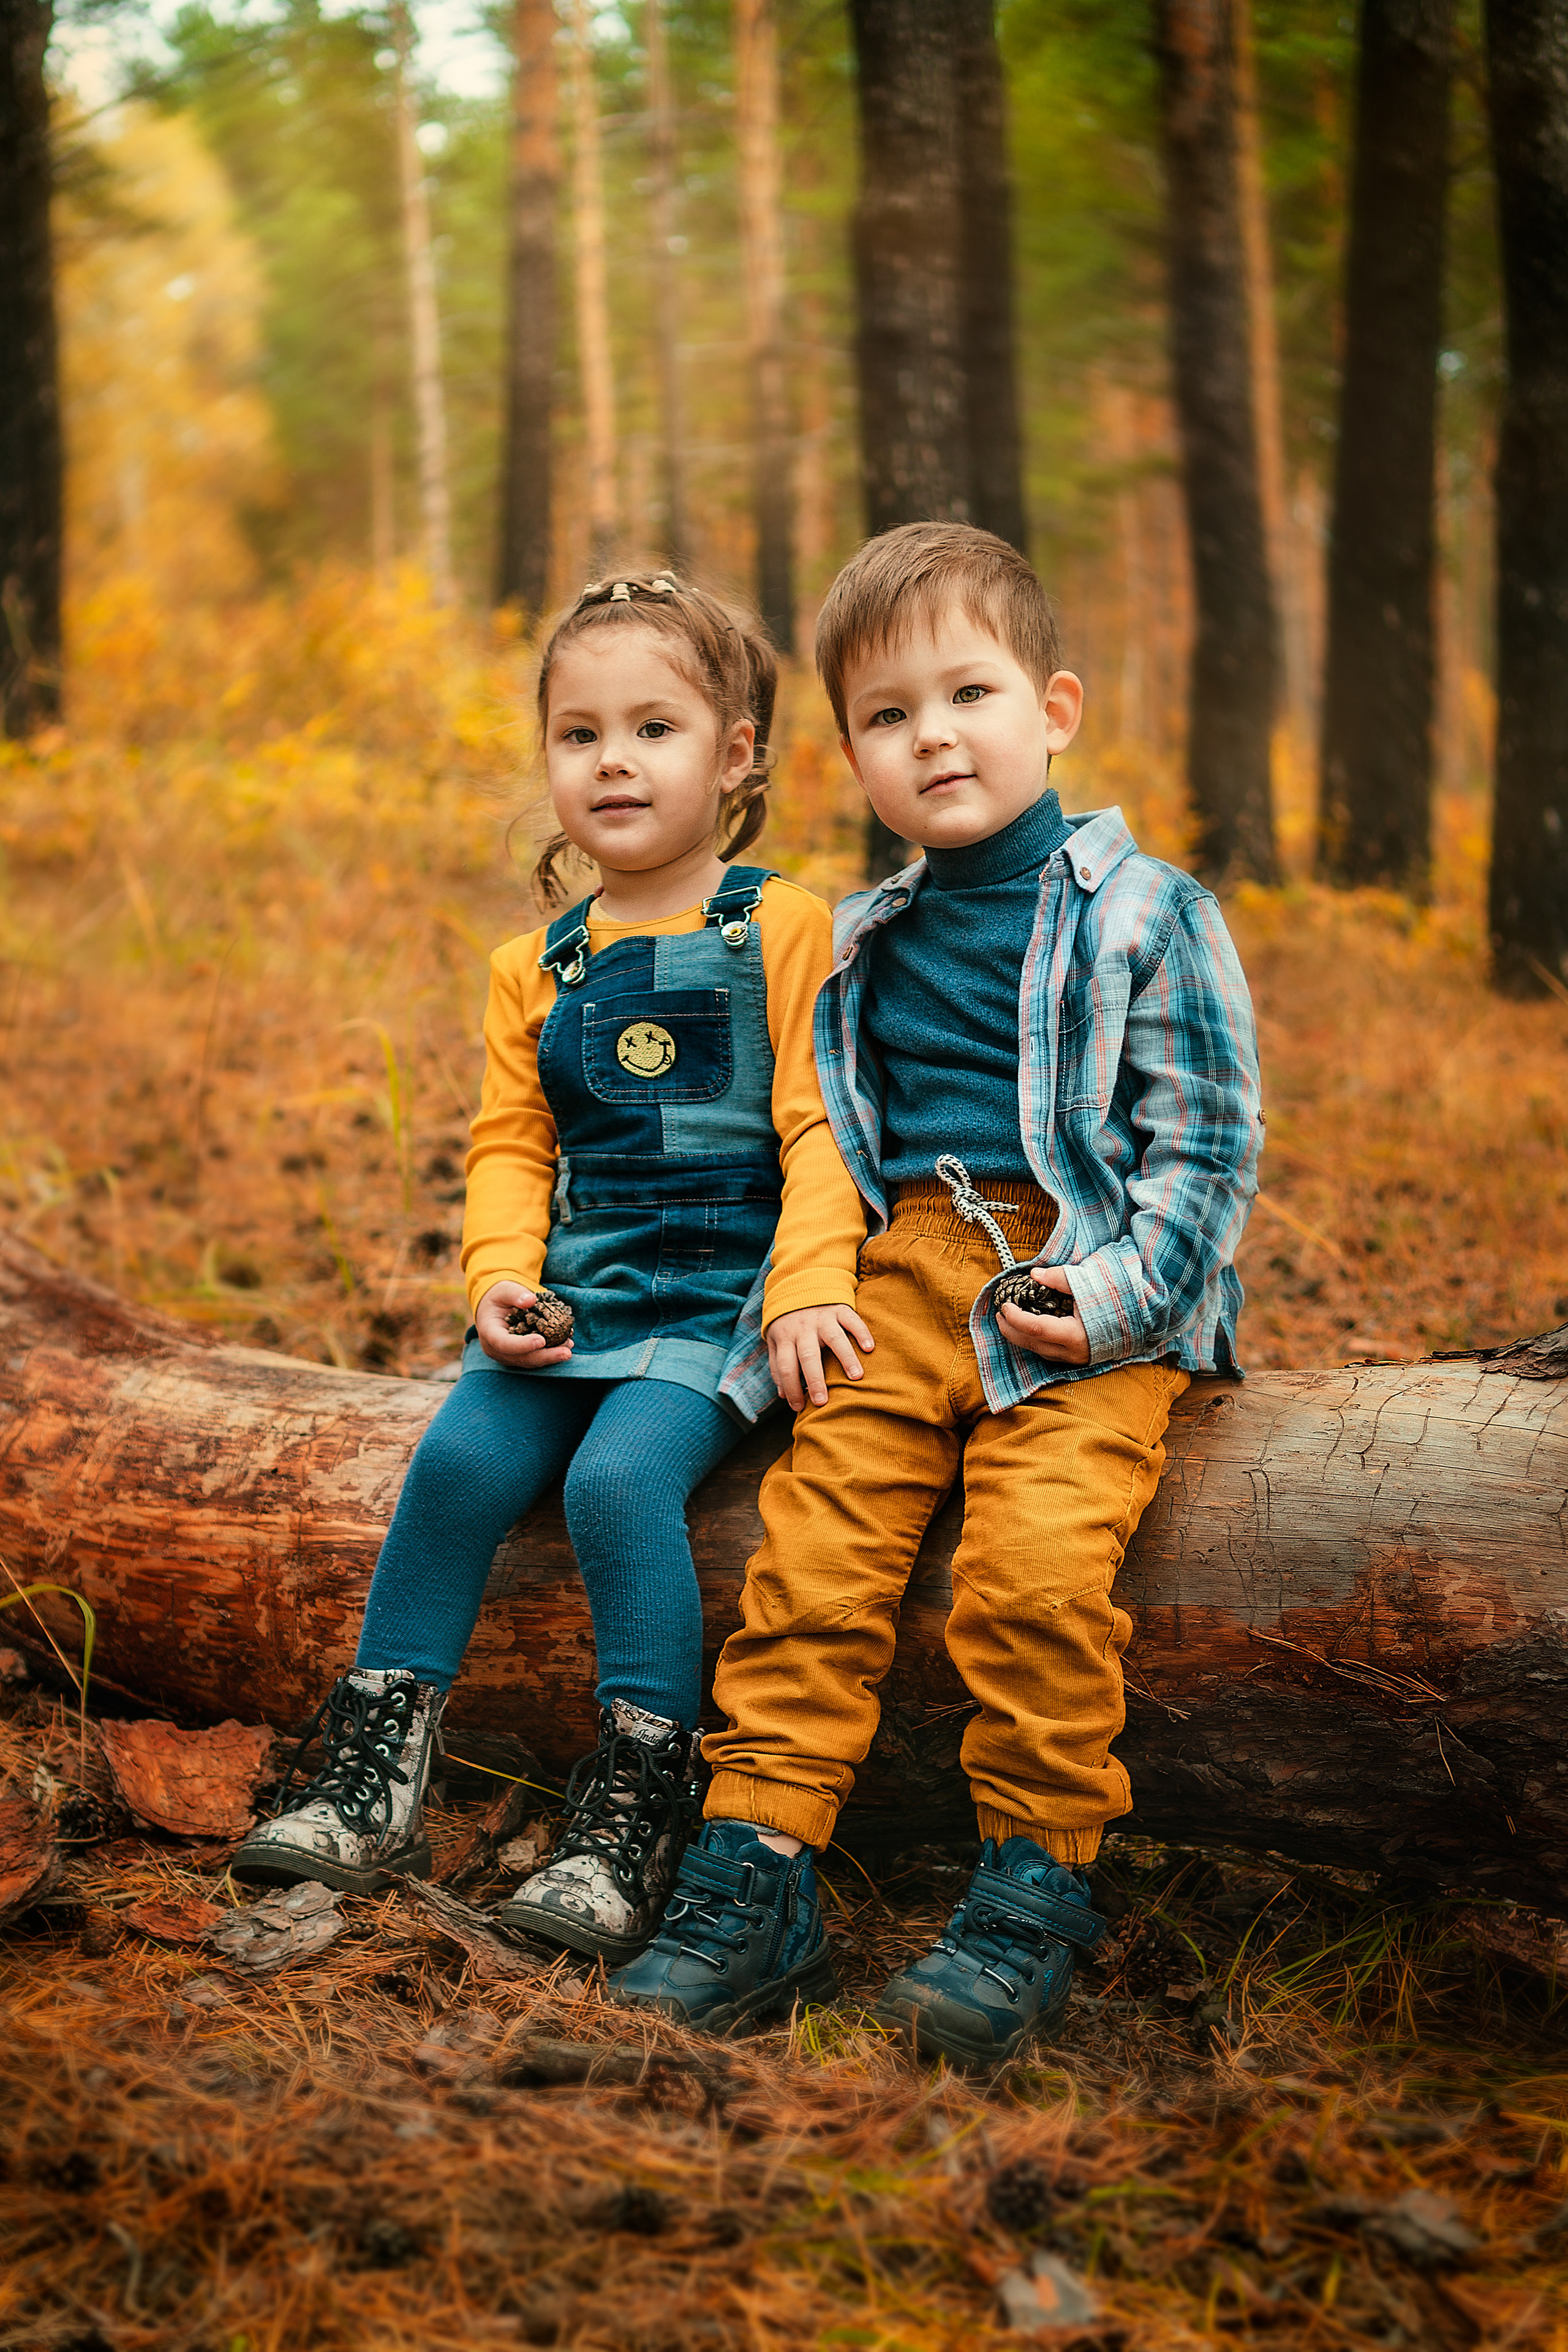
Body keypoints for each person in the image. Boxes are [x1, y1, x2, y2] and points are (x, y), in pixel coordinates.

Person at [609, 522, 1262, 2062]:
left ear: (1053, 706)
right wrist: (802, 1285)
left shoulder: (1146, 910)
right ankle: (756, 1866)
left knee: (1034, 1577)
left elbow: (1208, 1149)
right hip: (905, 1268)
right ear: (851, 755)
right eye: (889, 717)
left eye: (966, 693)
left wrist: (1109, 1301)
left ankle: (1033, 1883)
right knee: (815, 1547)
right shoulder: (864, 938)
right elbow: (820, 1140)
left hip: (1085, 1274)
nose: (932, 737)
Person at [234, 572, 871, 1970]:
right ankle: (373, 1769)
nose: (613, 761)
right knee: (457, 1465)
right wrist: (495, 1277)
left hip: (719, 1304)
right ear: (548, 761)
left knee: (614, 1479)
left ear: (736, 753)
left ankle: (635, 1801)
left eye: (653, 727)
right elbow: (513, 1144)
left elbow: (821, 1126)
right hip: (580, 1292)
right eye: (579, 735)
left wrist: (808, 1284)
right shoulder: (539, 962)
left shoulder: (783, 925)